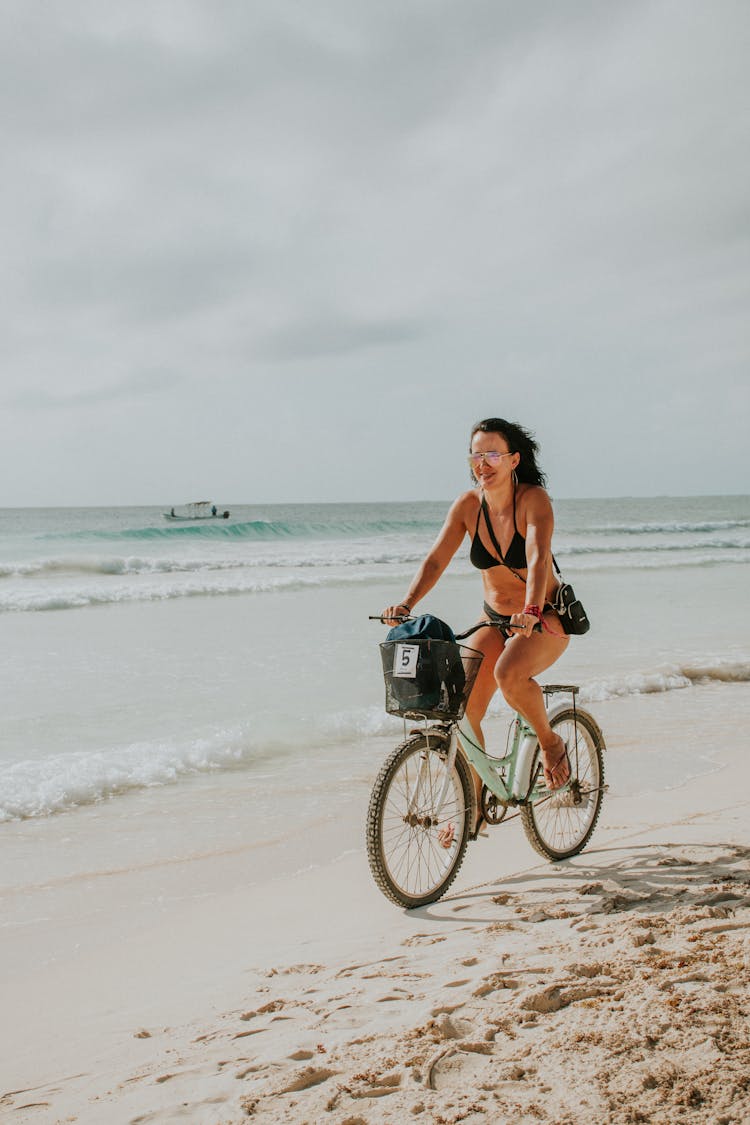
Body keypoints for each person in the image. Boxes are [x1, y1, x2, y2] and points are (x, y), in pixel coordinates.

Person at [381, 417, 570, 843]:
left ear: (513, 459)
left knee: (508, 675)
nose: (482, 463)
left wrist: (532, 609)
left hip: (543, 617)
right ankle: (474, 810)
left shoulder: (534, 500)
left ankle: (549, 741)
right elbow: (436, 560)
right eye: (476, 454)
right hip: (495, 619)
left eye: (491, 454)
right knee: (463, 709)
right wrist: (407, 604)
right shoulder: (468, 505)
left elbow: (538, 557)